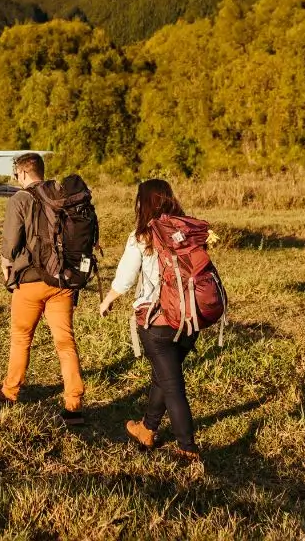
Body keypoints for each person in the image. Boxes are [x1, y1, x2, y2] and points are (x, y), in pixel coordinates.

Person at [97, 179, 202, 466]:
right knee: (164, 376)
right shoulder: (188, 228)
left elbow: (126, 277)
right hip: (191, 318)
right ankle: (147, 429)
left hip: (158, 322)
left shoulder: (142, 235)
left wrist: (108, 300)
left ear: (142, 202)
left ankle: (187, 448)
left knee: (172, 384)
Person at [0, 153, 86, 426]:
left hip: (30, 281)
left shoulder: (20, 199)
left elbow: (11, 242)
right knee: (65, 342)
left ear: (24, 173)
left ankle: (10, 391)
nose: (16, 179)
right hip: (62, 281)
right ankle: (74, 405)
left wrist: (6, 264)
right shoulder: (60, 196)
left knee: (21, 337)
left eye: (16, 174)